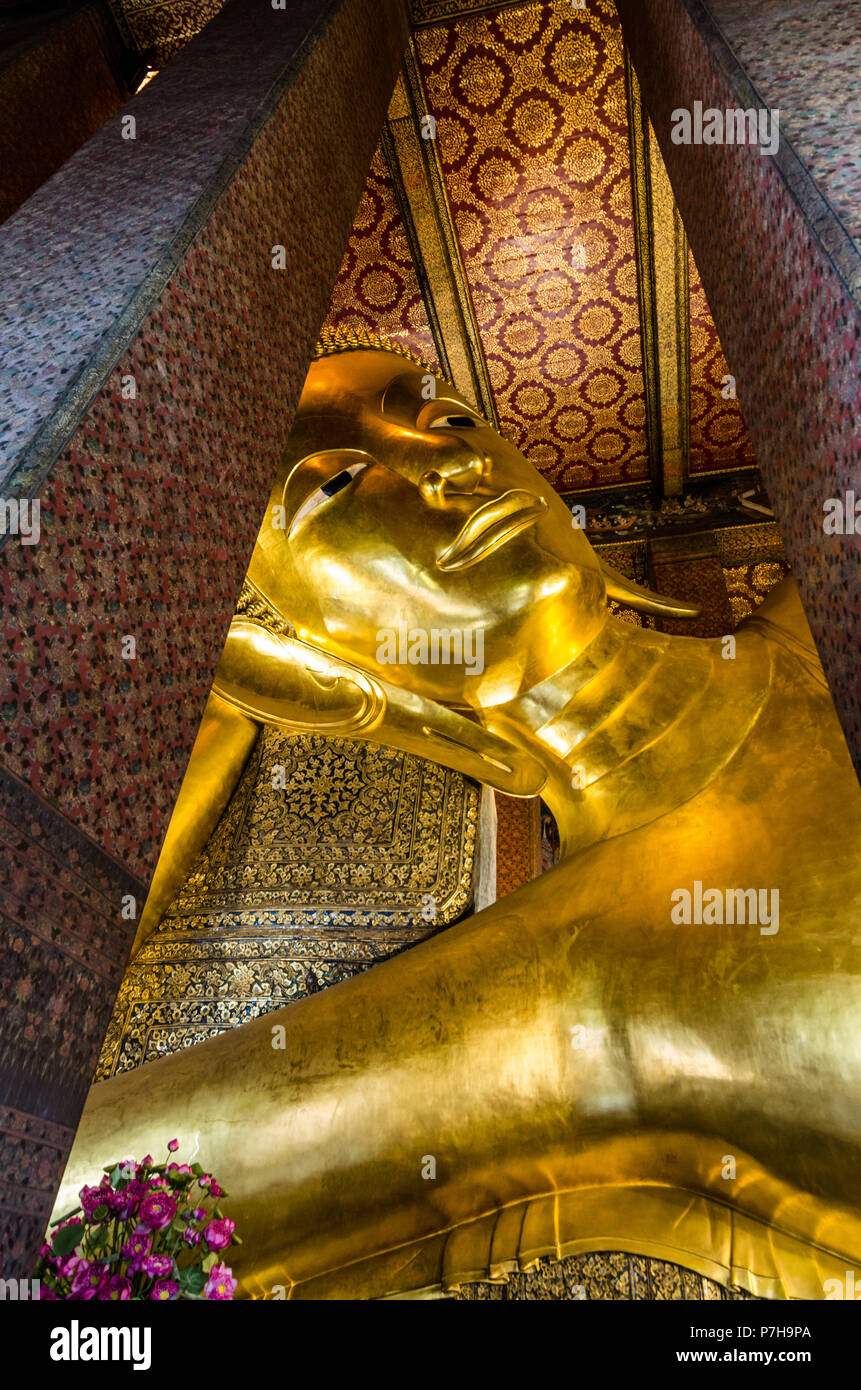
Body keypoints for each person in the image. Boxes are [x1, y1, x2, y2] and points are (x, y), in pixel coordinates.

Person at [54, 331, 861, 1300]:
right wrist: (200, 700)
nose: (451, 459)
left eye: (448, 416)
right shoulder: (573, 983)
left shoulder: (824, 622)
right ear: (298, 657)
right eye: (339, 488)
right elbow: (65, 1199)